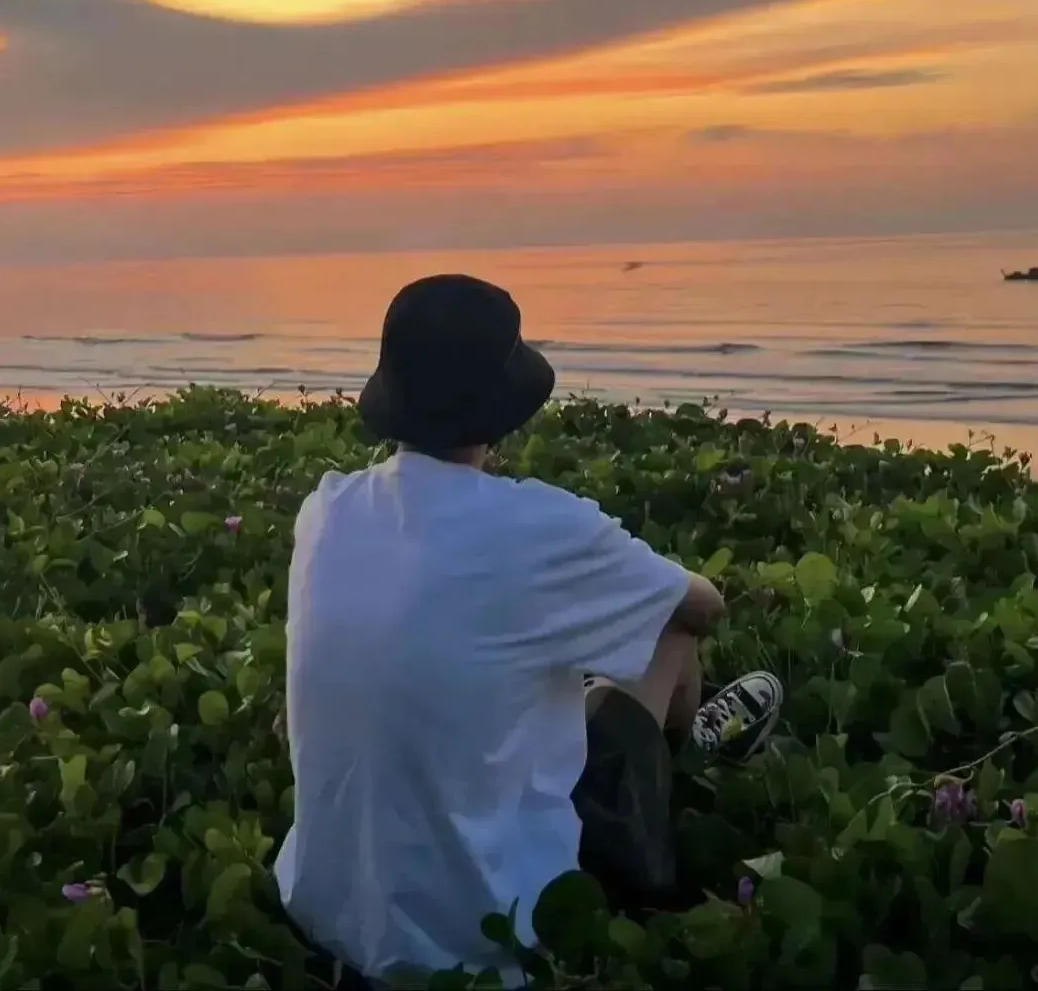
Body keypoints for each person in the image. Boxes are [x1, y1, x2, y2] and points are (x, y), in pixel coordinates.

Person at [273, 274, 783, 988]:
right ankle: (678, 769)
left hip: (331, 916)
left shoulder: (327, 509)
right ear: (502, 410)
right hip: (490, 942)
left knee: (563, 688)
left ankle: (633, 725)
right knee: (666, 633)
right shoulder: (541, 526)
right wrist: (642, 572)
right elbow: (703, 605)